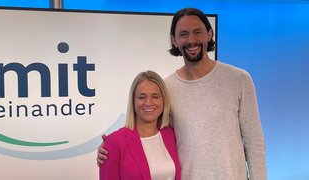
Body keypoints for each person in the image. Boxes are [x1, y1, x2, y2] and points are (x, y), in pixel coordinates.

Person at [97, 8, 267, 180]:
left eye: (197, 32)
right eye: (183, 34)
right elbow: (152, 135)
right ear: (174, 41)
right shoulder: (167, 88)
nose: (191, 40)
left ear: (209, 34)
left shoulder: (238, 79)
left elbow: (255, 142)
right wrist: (111, 149)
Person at [99, 70, 181, 180]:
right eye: (142, 97)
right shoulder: (114, 142)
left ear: (163, 100)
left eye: (155, 96)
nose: (148, 103)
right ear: (133, 101)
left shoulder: (171, 134)